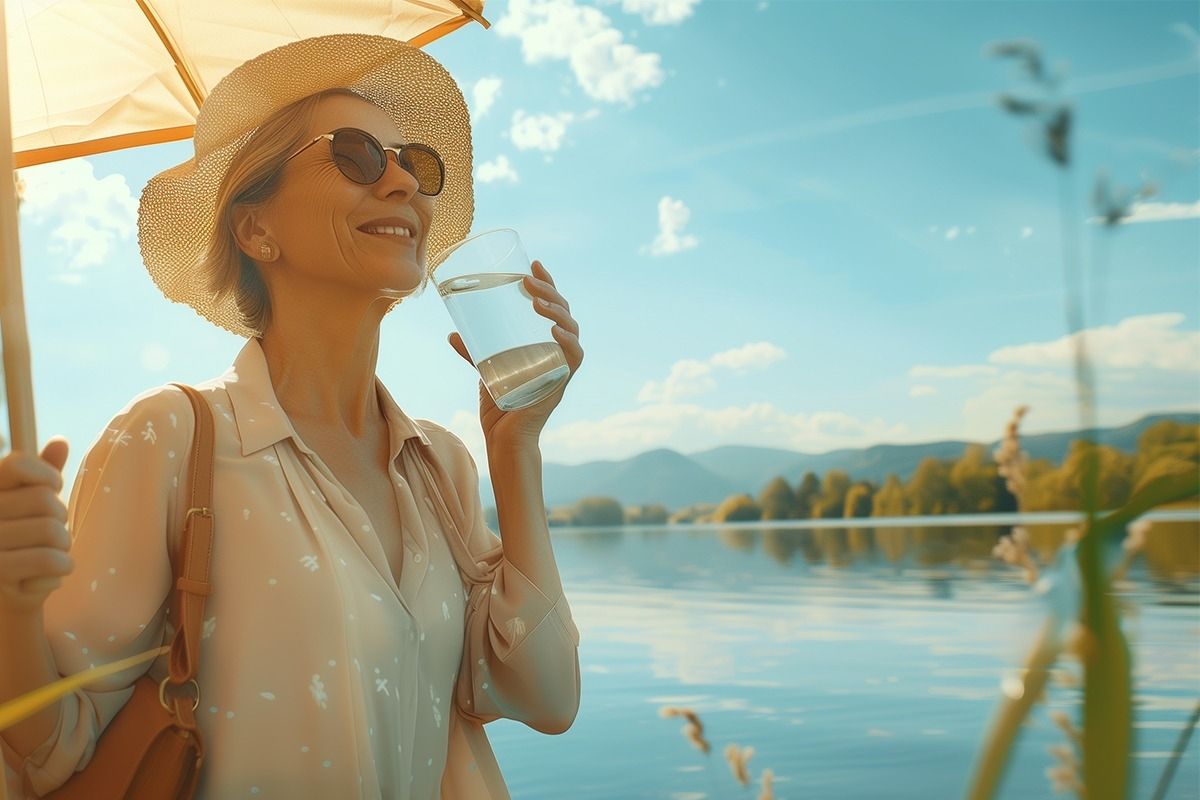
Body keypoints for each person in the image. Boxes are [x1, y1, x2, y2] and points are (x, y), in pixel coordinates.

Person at [0, 34, 583, 799]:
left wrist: (517, 452)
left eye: (415, 162)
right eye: (357, 155)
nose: (404, 181)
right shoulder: (170, 438)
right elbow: (50, 750)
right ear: (255, 229)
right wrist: (9, 608)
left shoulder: (439, 464)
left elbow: (546, 698)